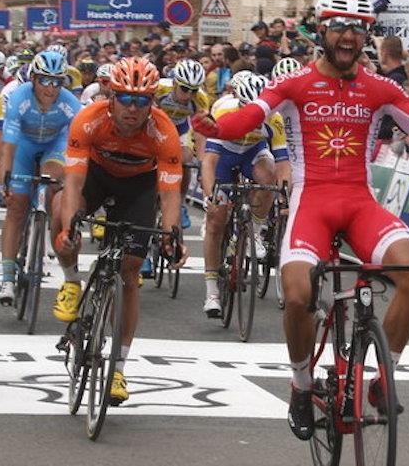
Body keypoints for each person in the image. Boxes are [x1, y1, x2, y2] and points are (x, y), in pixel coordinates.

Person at [192, 0, 409, 440]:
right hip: (313, 201)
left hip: (360, 201)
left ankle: (382, 377)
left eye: (358, 29)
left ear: (367, 35)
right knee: (300, 294)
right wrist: (215, 127)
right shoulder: (295, 82)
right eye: (340, 27)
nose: (348, 36)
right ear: (322, 29)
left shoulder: (380, 87)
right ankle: (302, 385)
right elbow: (250, 116)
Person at [53, 57, 187, 403]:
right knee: (57, 206)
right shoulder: (89, 119)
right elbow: (73, 183)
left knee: (129, 274)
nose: (133, 108)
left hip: (139, 187)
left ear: (152, 102)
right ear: (110, 96)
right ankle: (70, 280)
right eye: (125, 98)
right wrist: (69, 226)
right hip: (96, 177)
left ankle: (118, 369)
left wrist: (173, 237)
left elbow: (170, 193)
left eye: (142, 101)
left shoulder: (164, 131)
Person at [0, 51, 82, 307]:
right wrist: (4, 183)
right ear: (33, 79)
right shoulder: (19, 99)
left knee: (53, 183)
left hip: (55, 145)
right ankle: (8, 279)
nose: (51, 88)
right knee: (17, 206)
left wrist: (72, 182)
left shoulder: (70, 104)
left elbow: (78, 148)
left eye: (57, 82)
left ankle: (47, 212)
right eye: (45, 80)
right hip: (23, 146)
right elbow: (7, 148)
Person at [201, 73, 288, 317]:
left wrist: (284, 194)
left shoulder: (275, 119)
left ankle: (256, 232)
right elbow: (208, 162)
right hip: (224, 157)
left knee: (268, 178)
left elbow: (282, 164)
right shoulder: (223, 113)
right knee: (216, 219)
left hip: (253, 152)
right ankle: (212, 293)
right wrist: (211, 197)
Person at [153, 59, 211, 231]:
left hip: (179, 129)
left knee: (185, 159)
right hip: (157, 126)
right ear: (174, 82)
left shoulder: (200, 99)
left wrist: (201, 164)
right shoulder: (160, 88)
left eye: (193, 90)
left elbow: (201, 133)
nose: (188, 96)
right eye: (184, 89)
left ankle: (181, 201)